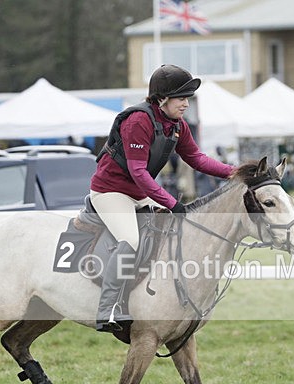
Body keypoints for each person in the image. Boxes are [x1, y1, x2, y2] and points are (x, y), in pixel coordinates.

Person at [89, 64, 235, 332]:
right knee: (131, 239)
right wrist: (172, 203)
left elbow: (197, 158)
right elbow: (138, 172)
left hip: (138, 193)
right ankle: (107, 308)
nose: (186, 104)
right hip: (111, 191)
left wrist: (234, 173)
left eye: (188, 98)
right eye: (182, 98)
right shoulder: (138, 121)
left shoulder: (176, 125)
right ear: (162, 98)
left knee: (173, 232)